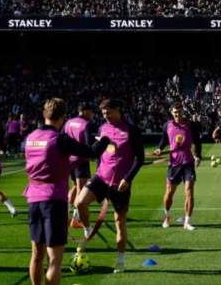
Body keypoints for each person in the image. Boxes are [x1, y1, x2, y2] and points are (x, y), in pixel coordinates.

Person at [24, 98, 102, 285]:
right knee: (54, 260)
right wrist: (105, 140)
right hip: (54, 200)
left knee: (36, 255)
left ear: (44, 114)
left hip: (33, 198)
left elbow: (49, 162)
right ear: (63, 117)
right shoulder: (60, 139)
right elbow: (91, 151)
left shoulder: (31, 137)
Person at [74, 98, 145, 274]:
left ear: (118, 109)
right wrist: (98, 169)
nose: (106, 116)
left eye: (109, 112)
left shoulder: (131, 130)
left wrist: (128, 179)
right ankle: (88, 229)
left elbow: (140, 158)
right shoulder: (102, 128)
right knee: (79, 202)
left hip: (120, 184)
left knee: (119, 223)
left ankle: (120, 261)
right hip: (101, 177)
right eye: (103, 113)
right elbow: (99, 153)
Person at [153, 102, 202, 231]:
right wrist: (159, 149)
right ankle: (167, 216)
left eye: (179, 112)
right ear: (171, 113)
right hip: (174, 164)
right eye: (175, 112)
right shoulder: (167, 125)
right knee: (169, 193)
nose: (177, 115)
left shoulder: (191, 125)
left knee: (189, 192)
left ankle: (187, 222)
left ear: (182, 111)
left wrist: (198, 156)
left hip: (188, 163)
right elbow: (163, 140)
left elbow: (197, 142)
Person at [64, 103, 96, 229]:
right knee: (81, 189)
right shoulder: (86, 124)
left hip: (69, 159)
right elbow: (89, 144)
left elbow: (63, 138)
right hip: (81, 160)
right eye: (91, 112)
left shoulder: (69, 122)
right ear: (84, 111)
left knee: (75, 187)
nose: (92, 115)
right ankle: (76, 218)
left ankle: (65, 214)